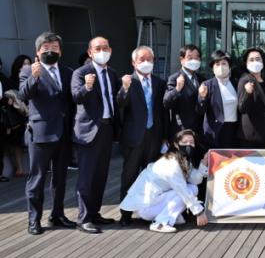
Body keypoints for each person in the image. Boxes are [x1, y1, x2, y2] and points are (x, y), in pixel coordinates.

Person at [19, 32, 76, 235]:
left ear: (60, 51)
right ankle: (34, 220)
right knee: (37, 178)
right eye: (46, 48)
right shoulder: (28, 70)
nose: (50, 51)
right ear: (37, 51)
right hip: (40, 132)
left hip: (63, 132)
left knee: (60, 177)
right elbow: (24, 94)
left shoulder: (68, 72)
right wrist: (34, 77)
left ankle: (57, 215)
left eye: (54, 48)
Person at [71, 36, 121, 234]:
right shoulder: (80, 73)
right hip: (88, 131)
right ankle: (83, 218)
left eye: (105, 48)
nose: (102, 51)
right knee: (86, 176)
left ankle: (94, 212)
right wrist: (88, 86)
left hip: (107, 129)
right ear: (90, 52)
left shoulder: (112, 73)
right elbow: (76, 96)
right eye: (98, 48)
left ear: (111, 50)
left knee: (101, 175)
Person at [117, 46, 169, 227]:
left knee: (152, 177)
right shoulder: (127, 81)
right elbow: (120, 104)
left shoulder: (159, 83)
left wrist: (165, 136)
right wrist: (124, 88)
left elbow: (163, 112)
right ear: (134, 62)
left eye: (149, 59)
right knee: (129, 176)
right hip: (134, 137)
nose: (146, 62)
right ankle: (126, 213)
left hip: (154, 136)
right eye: (142, 59)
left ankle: (149, 211)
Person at [119, 129, 209, 233]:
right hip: (146, 207)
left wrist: (203, 163)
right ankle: (160, 223)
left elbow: (195, 180)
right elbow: (183, 190)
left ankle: (166, 216)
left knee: (193, 188)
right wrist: (199, 212)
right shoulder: (171, 163)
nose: (188, 145)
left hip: (154, 202)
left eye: (191, 142)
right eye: (184, 142)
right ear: (176, 145)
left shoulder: (184, 159)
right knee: (185, 192)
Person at [197, 50, 239, 149]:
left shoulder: (236, 83)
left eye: (224, 63)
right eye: (217, 64)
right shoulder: (207, 85)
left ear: (229, 67)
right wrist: (202, 97)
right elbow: (200, 110)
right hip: (215, 130)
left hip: (233, 129)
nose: (221, 67)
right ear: (213, 68)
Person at [163, 45, 205, 140]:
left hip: (199, 129)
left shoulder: (202, 79)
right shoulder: (174, 78)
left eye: (197, 57)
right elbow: (166, 103)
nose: (194, 60)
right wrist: (177, 89)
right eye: (190, 57)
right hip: (181, 130)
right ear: (182, 60)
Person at [237, 48, 265, 149]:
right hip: (251, 135)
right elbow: (242, 108)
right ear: (246, 63)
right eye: (251, 60)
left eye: (258, 59)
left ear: (262, 61)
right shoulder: (244, 80)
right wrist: (248, 93)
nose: (255, 62)